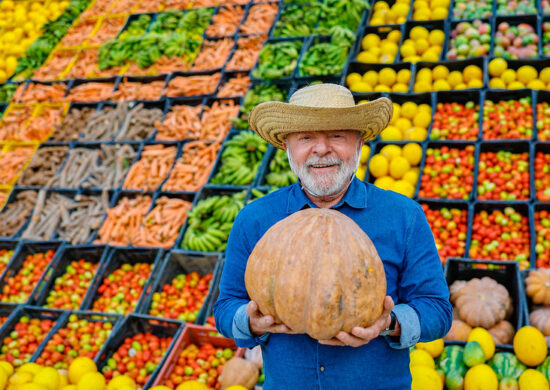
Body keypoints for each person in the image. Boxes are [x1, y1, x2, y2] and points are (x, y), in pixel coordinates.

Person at [213, 83, 452, 389]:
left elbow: (438, 310)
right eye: (306, 137)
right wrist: (249, 322)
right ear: (288, 147)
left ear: (359, 143)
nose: (321, 148)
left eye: (336, 135)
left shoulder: (403, 216)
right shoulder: (254, 219)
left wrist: (389, 324)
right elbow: (225, 306)